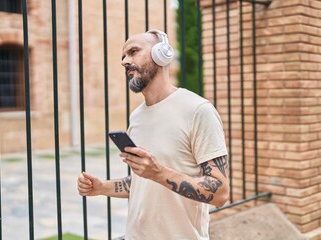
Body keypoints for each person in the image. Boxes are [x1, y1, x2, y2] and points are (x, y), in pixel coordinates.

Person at [77, 29, 230, 240]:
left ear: (162, 54)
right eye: (123, 56)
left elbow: (220, 194)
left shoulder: (198, 110)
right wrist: (103, 187)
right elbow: (143, 182)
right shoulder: (137, 116)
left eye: (133, 52)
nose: (124, 61)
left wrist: (158, 172)